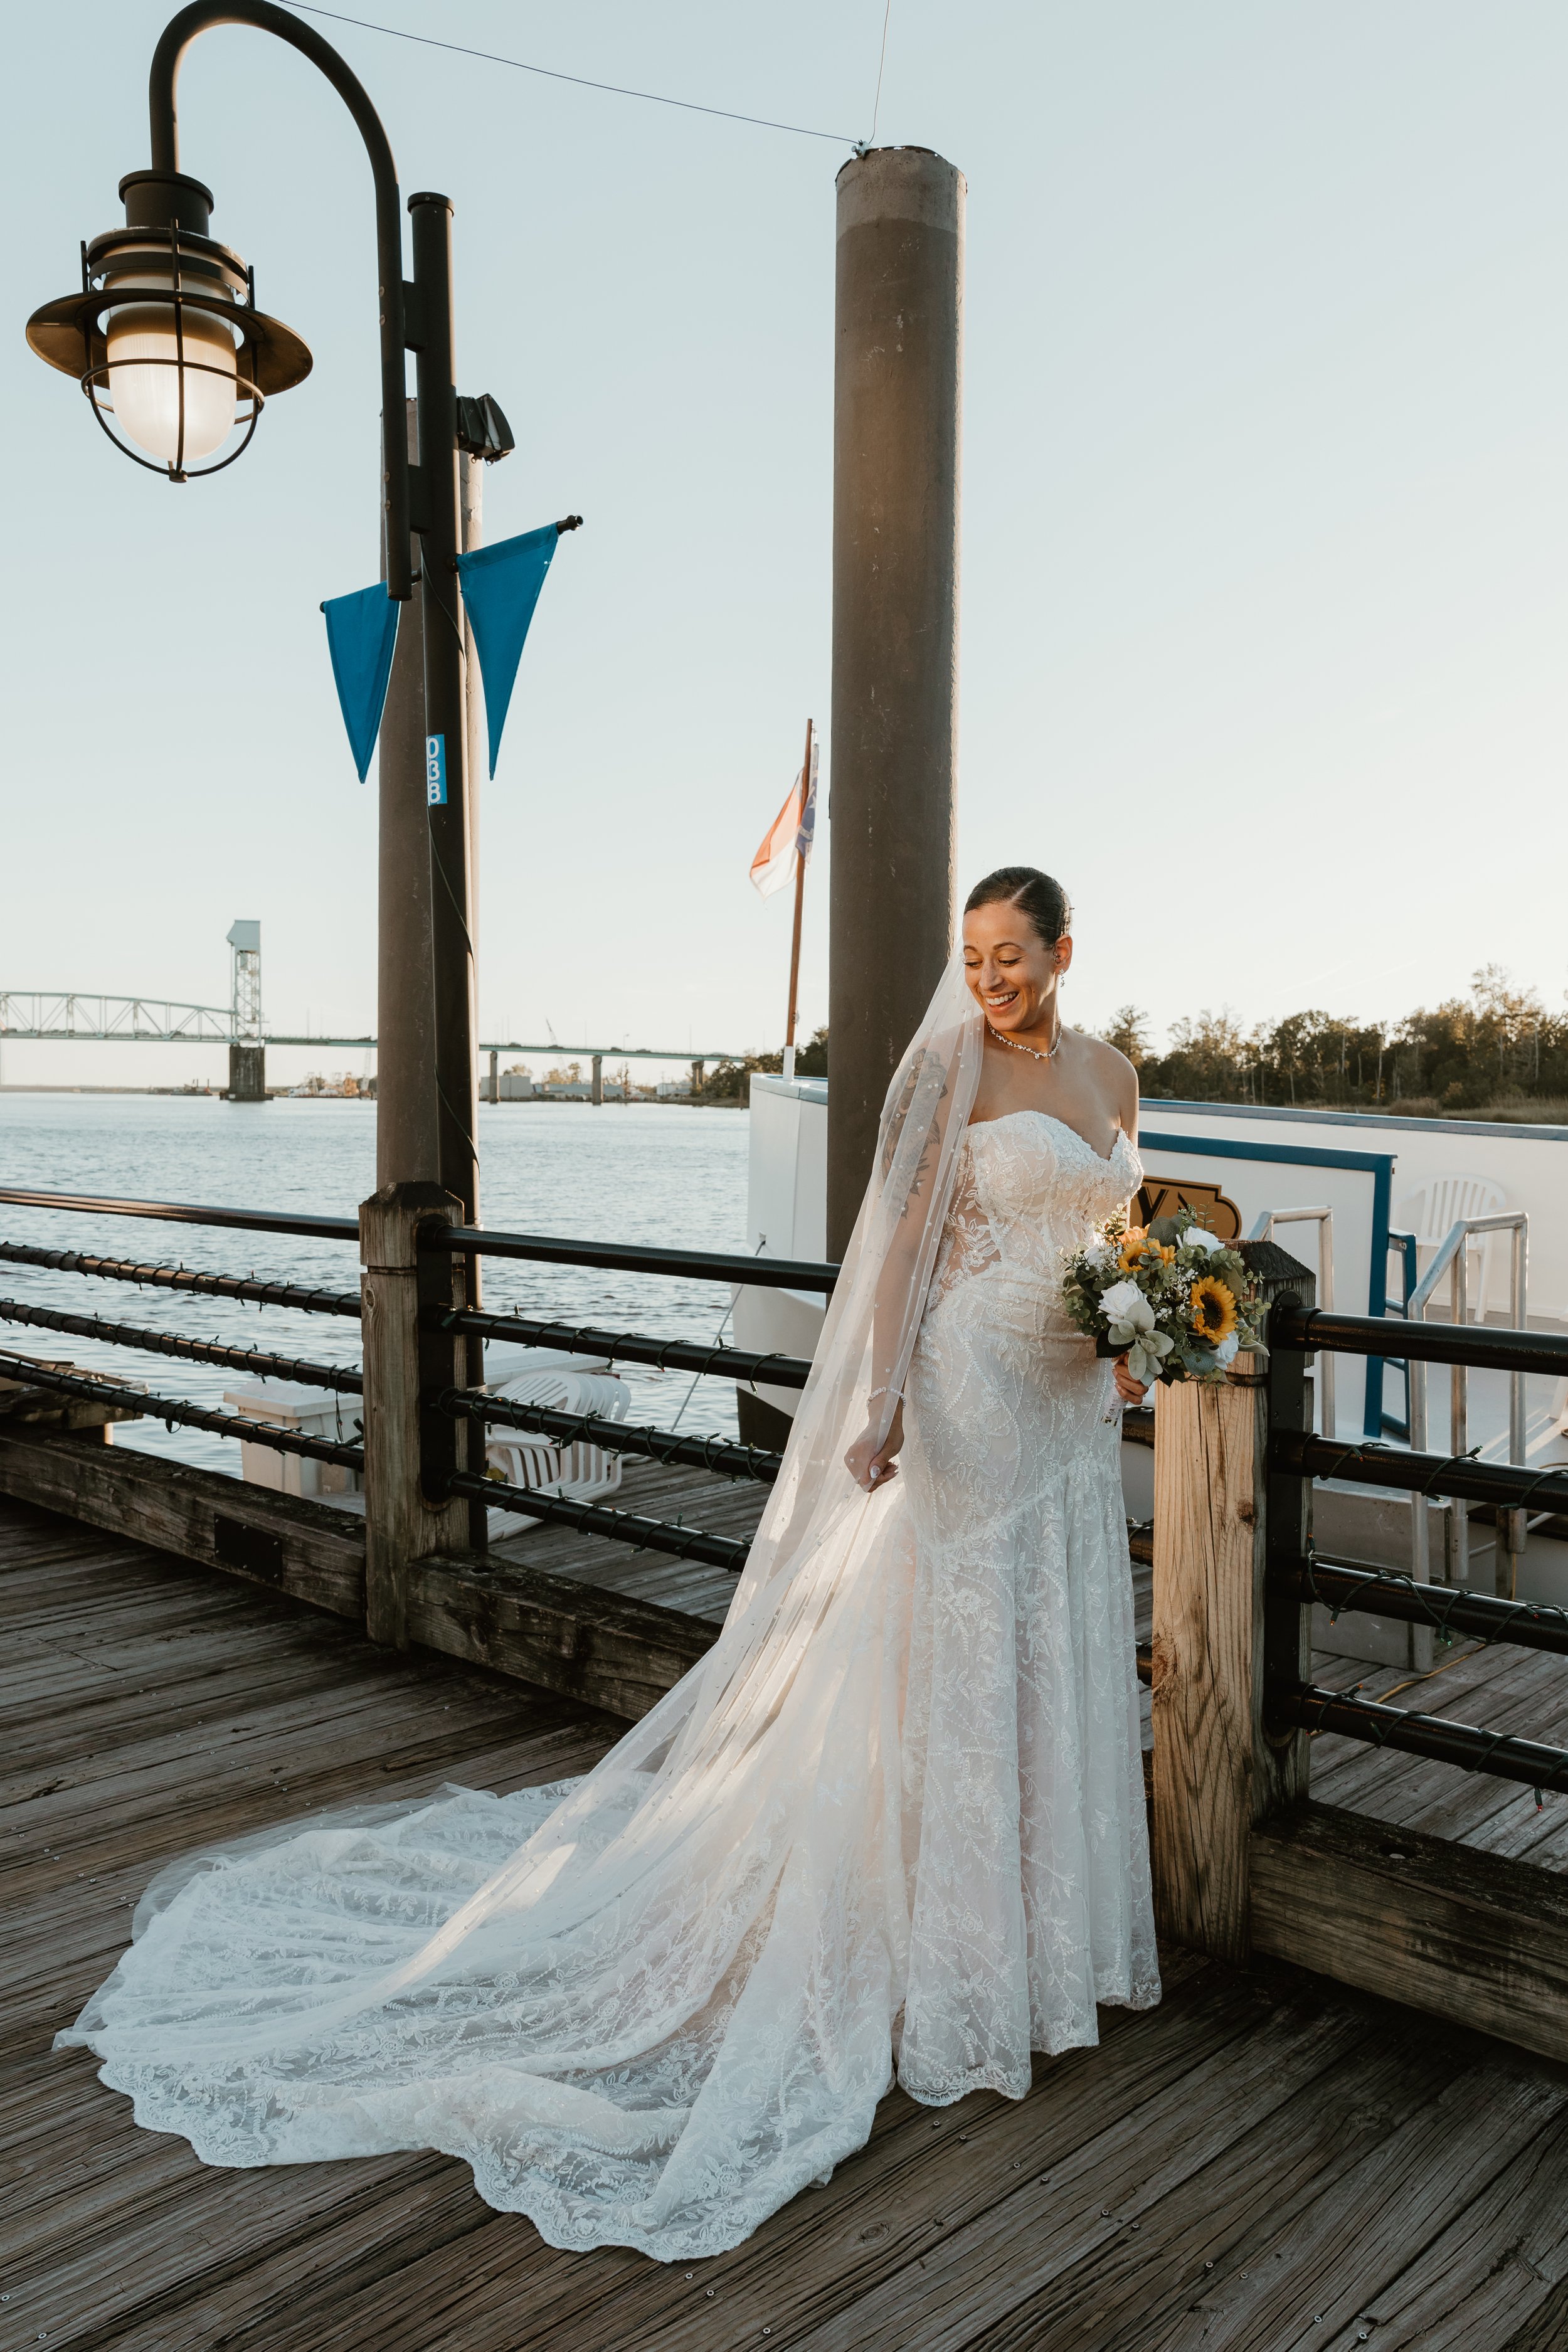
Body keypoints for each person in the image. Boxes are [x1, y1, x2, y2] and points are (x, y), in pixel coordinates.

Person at [56, 866, 1158, 2265]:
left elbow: (1122, 1231)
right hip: (964, 1394)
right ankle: (952, 1962)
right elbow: (900, 1252)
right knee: (949, 1660)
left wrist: (1135, 1332)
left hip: (1065, 1414)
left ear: (1065, 953)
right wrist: (878, 1397)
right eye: (973, 954)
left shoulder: (1114, 1068)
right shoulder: (943, 1067)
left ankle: (1040, 1947)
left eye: (1012, 955)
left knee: (1041, 1653)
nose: (990, 976)